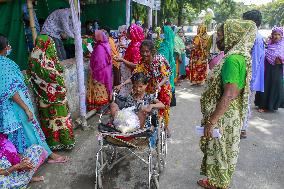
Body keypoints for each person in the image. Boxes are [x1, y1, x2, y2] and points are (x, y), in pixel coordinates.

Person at [197, 20, 257, 189]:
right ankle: (220, 180)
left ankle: (216, 183)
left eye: (221, 35)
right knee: (226, 149)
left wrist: (212, 121)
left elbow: (230, 93)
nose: (218, 39)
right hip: (232, 113)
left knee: (219, 150)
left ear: (233, 36)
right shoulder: (241, 56)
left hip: (224, 115)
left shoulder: (232, 60)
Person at [0, 34, 69, 163]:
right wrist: (26, 108)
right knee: (30, 131)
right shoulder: (3, 65)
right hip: (16, 105)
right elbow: (11, 90)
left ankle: (34, 160)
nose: (9, 47)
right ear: (3, 48)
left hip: (17, 103)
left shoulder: (5, 62)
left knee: (26, 133)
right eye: (7, 45)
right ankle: (44, 156)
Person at [29, 34, 75, 150]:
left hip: (43, 98)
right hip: (57, 97)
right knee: (61, 119)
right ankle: (66, 142)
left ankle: (54, 143)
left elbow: (31, 75)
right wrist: (61, 84)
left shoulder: (33, 59)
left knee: (49, 120)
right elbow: (55, 76)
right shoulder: (48, 60)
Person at [119, 40, 172, 137]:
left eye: (147, 51)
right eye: (142, 51)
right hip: (149, 86)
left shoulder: (159, 60)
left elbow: (166, 76)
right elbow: (135, 76)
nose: (144, 54)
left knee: (163, 109)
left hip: (163, 87)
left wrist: (159, 84)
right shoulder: (141, 62)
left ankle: (166, 127)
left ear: (152, 51)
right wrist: (122, 84)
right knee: (148, 107)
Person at [241, 10, 265, 138]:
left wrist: (250, 79)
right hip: (248, 76)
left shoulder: (255, 37)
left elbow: (255, 61)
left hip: (249, 77)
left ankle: (243, 129)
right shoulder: (252, 35)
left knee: (245, 102)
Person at [255, 27, 284, 112]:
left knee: (275, 86)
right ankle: (262, 105)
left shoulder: (282, 46)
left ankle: (272, 105)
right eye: (275, 34)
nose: (277, 36)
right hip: (267, 68)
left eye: (279, 34)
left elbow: (280, 59)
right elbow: (264, 53)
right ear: (272, 35)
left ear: (282, 36)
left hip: (277, 69)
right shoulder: (269, 44)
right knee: (265, 85)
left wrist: (280, 58)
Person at [87, 30, 112, 111]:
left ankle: (102, 108)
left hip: (99, 73)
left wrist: (95, 75)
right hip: (105, 71)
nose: (93, 37)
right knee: (104, 88)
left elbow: (99, 63)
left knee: (99, 90)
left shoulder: (99, 48)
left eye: (95, 36)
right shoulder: (105, 44)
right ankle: (104, 107)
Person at [116, 24, 144, 97]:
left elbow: (136, 65)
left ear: (132, 33)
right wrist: (125, 47)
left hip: (131, 76)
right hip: (128, 75)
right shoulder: (133, 43)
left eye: (128, 32)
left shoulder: (136, 47)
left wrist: (122, 60)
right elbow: (131, 53)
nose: (126, 33)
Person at [158, 25, 176, 107]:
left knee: (165, 83)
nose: (160, 34)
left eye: (162, 32)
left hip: (165, 67)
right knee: (170, 82)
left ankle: (166, 102)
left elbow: (161, 58)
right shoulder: (171, 43)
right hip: (171, 66)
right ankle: (171, 100)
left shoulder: (164, 45)